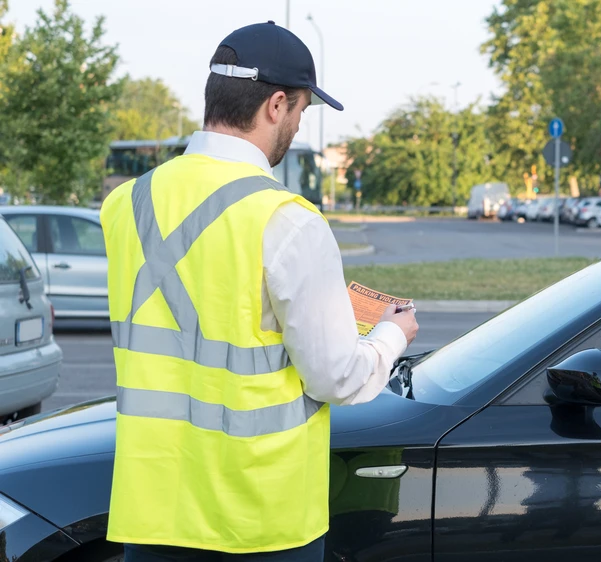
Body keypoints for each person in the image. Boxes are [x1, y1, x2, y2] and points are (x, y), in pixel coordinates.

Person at [100, 21, 418, 562]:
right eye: (300, 111)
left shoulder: (125, 205)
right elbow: (337, 377)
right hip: (261, 524)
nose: (297, 124)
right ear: (276, 104)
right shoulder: (290, 222)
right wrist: (391, 334)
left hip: (152, 517)